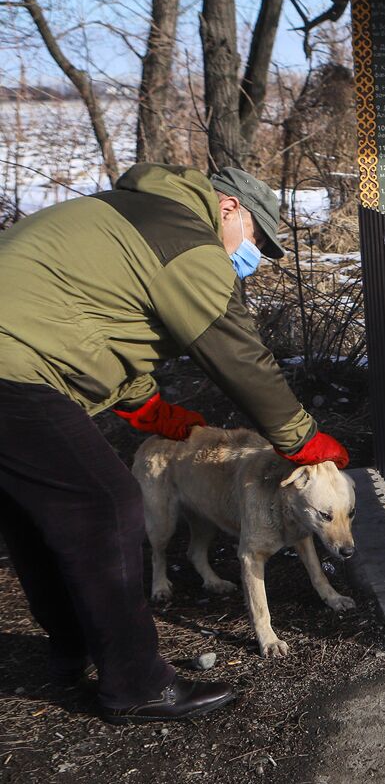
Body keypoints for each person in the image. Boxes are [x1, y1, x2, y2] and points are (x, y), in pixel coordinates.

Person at [0, 163, 350, 724]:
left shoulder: (136, 215)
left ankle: (71, 648)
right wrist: (302, 439)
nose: (253, 258)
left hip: (20, 355)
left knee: (34, 514)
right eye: (256, 239)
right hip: (13, 365)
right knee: (107, 505)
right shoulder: (189, 239)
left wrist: (146, 405)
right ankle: (136, 684)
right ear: (229, 208)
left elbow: (92, 322)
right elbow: (238, 356)